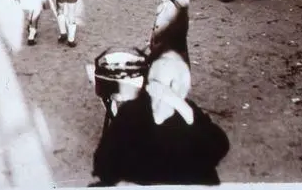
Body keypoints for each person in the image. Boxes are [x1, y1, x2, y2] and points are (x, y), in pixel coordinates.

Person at [92, 51, 229, 186]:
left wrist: (183, 109)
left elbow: (219, 146)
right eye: (151, 83)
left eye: (158, 86)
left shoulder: (189, 114)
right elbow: (103, 162)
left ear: (176, 90)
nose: (151, 90)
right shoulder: (132, 111)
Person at [147, 0, 190, 64]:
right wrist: (151, 41)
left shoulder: (179, 5)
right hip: (160, 48)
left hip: (173, 51)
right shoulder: (163, 7)